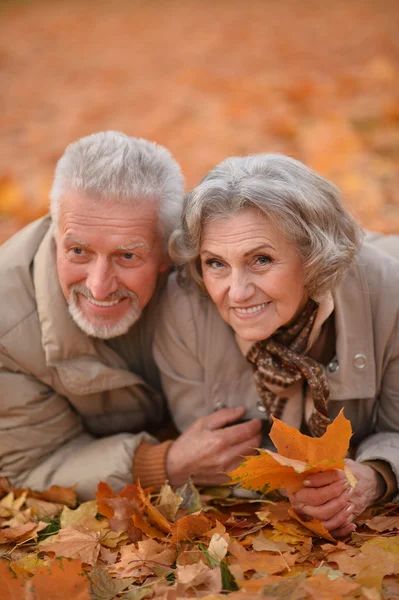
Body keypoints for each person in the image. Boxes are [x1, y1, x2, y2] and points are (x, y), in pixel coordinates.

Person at [0, 131, 262, 500]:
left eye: (127, 256)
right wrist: (162, 465)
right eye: (78, 251)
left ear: (168, 254)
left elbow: (337, 251)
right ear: (55, 235)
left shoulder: (213, 260)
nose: (99, 286)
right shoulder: (6, 327)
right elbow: (35, 462)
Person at [154, 153, 399, 537]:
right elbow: (214, 455)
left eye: (261, 260)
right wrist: (293, 487)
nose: (236, 291)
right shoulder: (183, 308)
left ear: (313, 256)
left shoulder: (390, 295)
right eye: (216, 263)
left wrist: (376, 475)